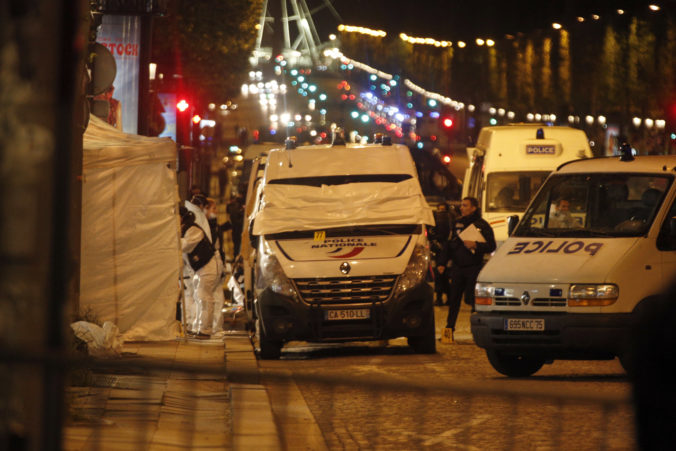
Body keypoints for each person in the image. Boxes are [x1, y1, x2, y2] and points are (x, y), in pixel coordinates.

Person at [438, 197, 496, 343]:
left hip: (473, 267)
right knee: (453, 300)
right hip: (458, 268)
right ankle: (449, 331)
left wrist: (476, 245)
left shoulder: (482, 225)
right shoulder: (457, 223)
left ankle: (476, 332)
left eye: (465, 205)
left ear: (474, 208)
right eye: (462, 205)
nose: (462, 208)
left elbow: (491, 246)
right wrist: (442, 262)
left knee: (473, 301)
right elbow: (449, 244)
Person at [180, 206, 218, 338]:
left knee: (204, 298)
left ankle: (205, 330)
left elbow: (184, 245)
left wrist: (170, 239)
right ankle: (198, 327)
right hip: (199, 268)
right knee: (198, 297)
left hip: (207, 266)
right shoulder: (185, 230)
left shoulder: (192, 229)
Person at [431, 203, 452, 305]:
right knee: (441, 276)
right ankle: (442, 297)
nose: (441, 212)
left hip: (444, 251)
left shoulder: (449, 219)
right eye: (440, 210)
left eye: (443, 210)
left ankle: (443, 298)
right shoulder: (437, 219)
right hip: (441, 251)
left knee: (443, 276)